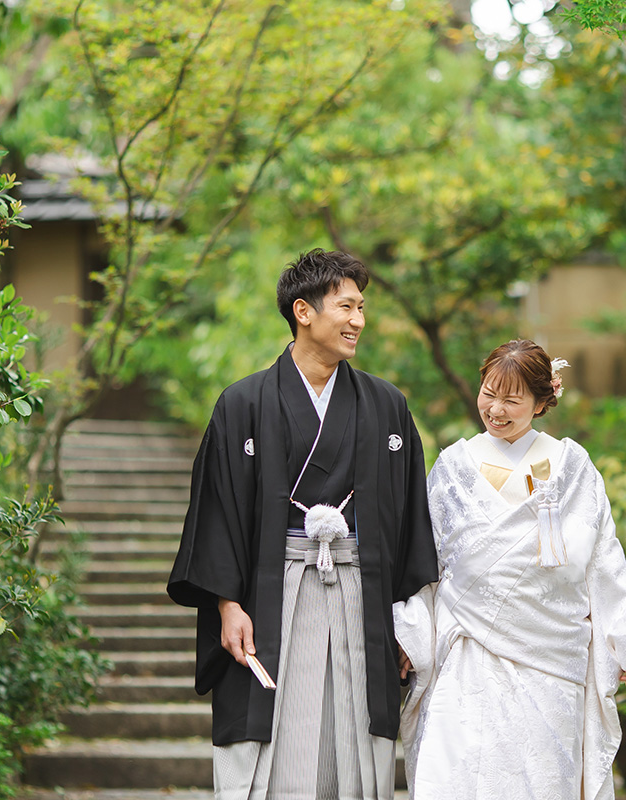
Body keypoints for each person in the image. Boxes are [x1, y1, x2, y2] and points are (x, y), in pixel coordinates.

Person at [167, 249, 438, 800]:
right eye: (346, 306)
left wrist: (410, 619)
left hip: (361, 593)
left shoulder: (387, 407)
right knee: (271, 744)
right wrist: (227, 604)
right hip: (271, 595)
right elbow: (216, 510)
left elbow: (410, 521)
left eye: (362, 307)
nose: (359, 319)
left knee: (355, 745)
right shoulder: (241, 404)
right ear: (304, 312)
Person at [394, 339, 626, 800]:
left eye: (511, 400)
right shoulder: (455, 464)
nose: (495, 409)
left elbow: (602, 555)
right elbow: (424, 557)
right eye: (488, 393)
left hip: (550, 647)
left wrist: (621, 638)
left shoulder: (572, 465)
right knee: (457, 772)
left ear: (541, 401)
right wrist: (411, 633)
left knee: (542, 774)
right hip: (469, 644)